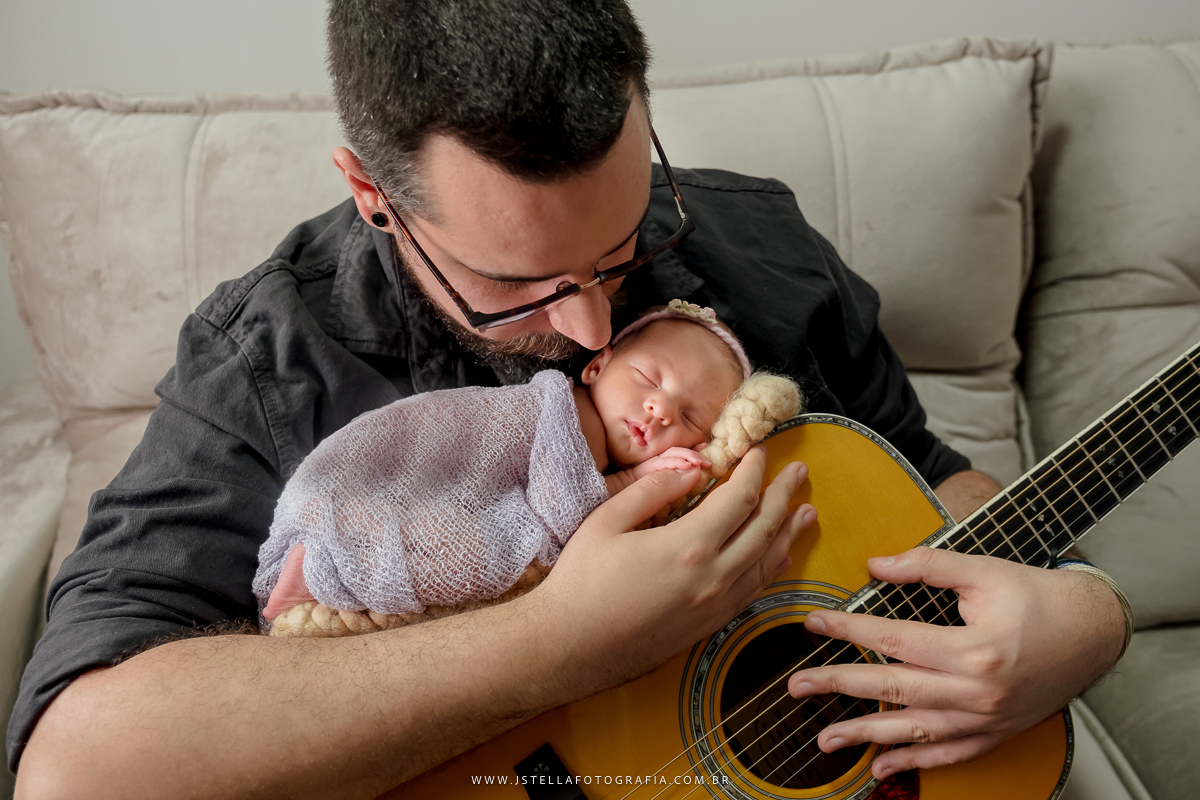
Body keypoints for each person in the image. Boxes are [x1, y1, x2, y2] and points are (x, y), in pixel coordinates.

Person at [9, 2, 1127, 798]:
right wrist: (555, 641)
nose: (593, 327)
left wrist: (1081, 610)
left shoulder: (764, 243)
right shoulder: (266, 358)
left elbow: (930, 478)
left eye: (627, 237)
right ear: (372, 195)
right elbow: (75, 764)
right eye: (520, 283)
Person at [256, 304, 800, 635]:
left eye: (688, 416)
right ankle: (331, 564)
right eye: (649, 380)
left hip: (386, 494)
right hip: (382, 480)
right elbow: (563, 517)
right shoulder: (565, 416)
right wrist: (638, 481)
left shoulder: (594, 438)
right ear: (596, 364)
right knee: (477, 550)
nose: (659, 410)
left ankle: (335, 556)